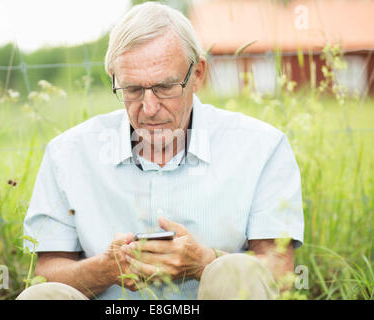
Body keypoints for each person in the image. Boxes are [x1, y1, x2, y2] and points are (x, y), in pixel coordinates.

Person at [17, 2, 304, 300]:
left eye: (165, 87)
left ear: (198, 75)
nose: (149, 108)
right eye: (132, 90)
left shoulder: (262, 147)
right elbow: (44, 275)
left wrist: (204, 263)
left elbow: (279, 275)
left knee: (236, 271)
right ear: (114, 80)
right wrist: (103, 270)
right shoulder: (68, 154)